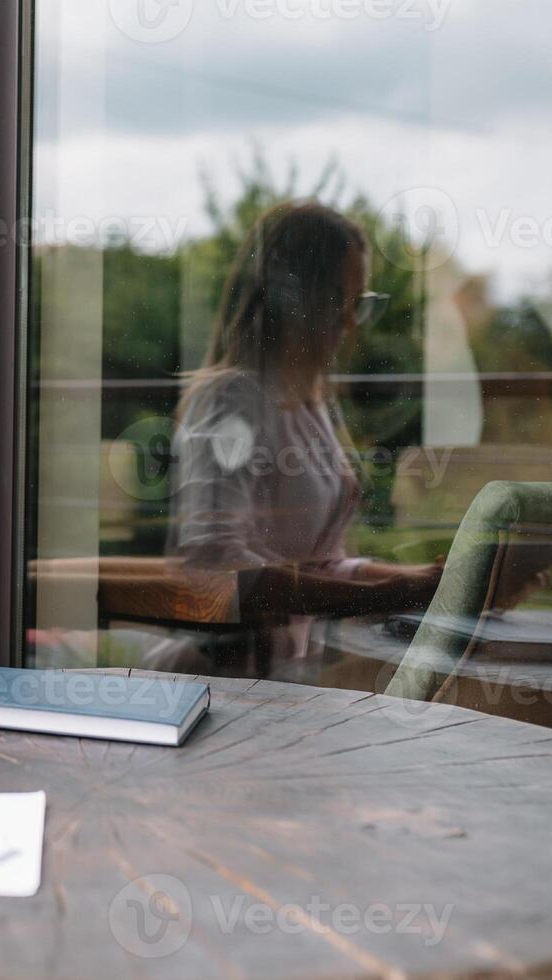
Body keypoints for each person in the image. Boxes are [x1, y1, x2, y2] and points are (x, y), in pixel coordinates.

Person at [155, 201, 444, 681]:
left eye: (357, 303)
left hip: (288, 672)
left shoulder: (311, 403)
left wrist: (422, 583)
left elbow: (321, 564)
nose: (349, 323)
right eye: (337, 301)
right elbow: (213, 560)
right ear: (290, 299)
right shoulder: (233, 400)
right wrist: (381, 595)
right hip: (221, 681)